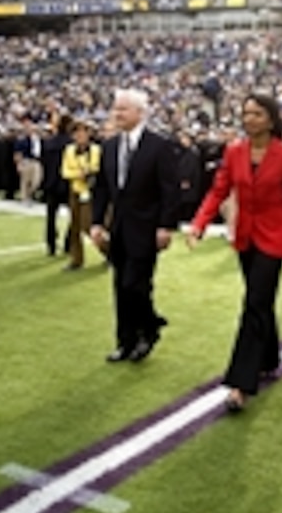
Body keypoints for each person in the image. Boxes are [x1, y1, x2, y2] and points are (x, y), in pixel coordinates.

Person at [187, 94, 282, 412]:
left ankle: (241, 383)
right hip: (245, 238)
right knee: (261, 301)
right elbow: (219, 189)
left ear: (271, 119)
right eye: (245, 113)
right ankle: (269, 357)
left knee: (254, 304)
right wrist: (200, 223)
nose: (249, 119)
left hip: (275, 239)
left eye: (256, 113)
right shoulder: (234, 152)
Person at [91, 88, 179, 363]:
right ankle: (126, 341)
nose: (117, 114)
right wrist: (96, 223)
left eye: (123, 109)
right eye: (115, 109)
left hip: (147, 227)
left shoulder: (159, 145)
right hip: (118, 227)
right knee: (120, 285)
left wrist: (166, 226)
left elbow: (170, 190)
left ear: (140, 113)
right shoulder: (109, 146)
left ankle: (147, 331)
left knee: (136, 284)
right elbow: (102, 189)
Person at [61, 119, 102, 271]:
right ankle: (76, 260)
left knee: (87, 225)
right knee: (74, 226)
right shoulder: (69, 150)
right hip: (76, 190)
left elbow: (98, 168)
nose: (80, 135)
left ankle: (108, 251)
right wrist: (80, 173)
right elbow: (65, 172)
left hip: (91, 191)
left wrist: (89, 172)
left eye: (84, 132)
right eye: (77, 133)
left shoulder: (96, 150)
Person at [41, 115, 73, 257]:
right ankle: (68, 243)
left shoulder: (48, 143)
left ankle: (51, 244)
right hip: (67, 183)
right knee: (74, 217)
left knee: (51, 216)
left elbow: (44, 163)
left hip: (51, 182)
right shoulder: (71, 144)